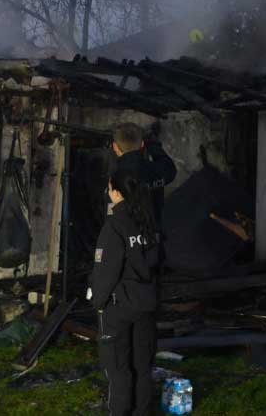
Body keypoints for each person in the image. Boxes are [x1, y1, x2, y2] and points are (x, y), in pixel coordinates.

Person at [90, 167, 160, 416]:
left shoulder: (114, 226)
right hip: (145, 303)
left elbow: (106, 272)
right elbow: (155, 263)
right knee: (142, 367)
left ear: (116, 192)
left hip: (119, 307)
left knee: (118, 369)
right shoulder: (149, 223)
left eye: (110, 188)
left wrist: (98, 302)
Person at [110, 122, 176, 227]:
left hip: (128, 237)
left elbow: (111, 212)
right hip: (155, 234)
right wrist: (153, 145)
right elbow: (170, 169)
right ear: (142, 144)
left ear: (115, 147)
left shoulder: (114, 181)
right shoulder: (155, 170)